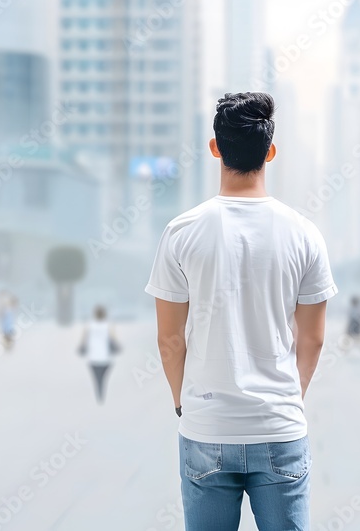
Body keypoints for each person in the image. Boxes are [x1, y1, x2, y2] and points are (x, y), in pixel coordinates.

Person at [146, 92, 336, 531]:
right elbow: (313, 338)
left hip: (206, 429)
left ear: (215, 147)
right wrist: (287, 398)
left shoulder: (182, 232)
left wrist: (183, 404)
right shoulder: (305, 235)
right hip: (279, 426)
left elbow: (168, 339)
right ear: (270, 152)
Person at [79, 306, 119, 403]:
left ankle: (99, 394)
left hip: (93, 358)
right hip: (106, 358)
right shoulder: (108, 325)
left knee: (97, 379)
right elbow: (113, 340)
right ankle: (101, 394)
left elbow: (84, 341)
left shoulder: (89, 325)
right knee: (103, 378)